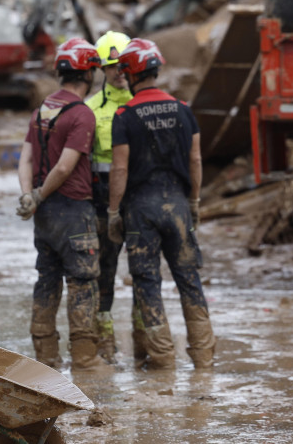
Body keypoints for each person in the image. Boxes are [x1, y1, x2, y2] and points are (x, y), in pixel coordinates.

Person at [107, 38, 216, 369]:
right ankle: (203, 358)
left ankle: (164, 360)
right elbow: (195, 160)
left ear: (130, 73)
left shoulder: (125, 115)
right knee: (188, 278)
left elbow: (120, 168)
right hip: (179, 206)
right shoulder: (184, 109)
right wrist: (194, 201)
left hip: (141, 211)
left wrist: (113, 211)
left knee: (147, 282)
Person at [16, 38, 106, 370]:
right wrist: (39, 195)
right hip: (73, 210)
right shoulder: (81, 114)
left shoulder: (42, 109)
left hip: (45, 215)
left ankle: (46, 360)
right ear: (90, 73)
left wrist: (29, 196)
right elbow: (66, 167)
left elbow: (25, 158)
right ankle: (85, 359)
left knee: (47, 279)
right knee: (82, 282)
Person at [84, 31, 133, 364]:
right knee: (105, 270)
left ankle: (147, 344)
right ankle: (105, 344)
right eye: (112, 66)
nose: (119, 72)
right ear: (102, 68)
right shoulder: (89, 109)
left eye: (124, 65)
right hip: (101, 201)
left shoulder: (142, 103)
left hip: (139, 198)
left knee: (145, 271)